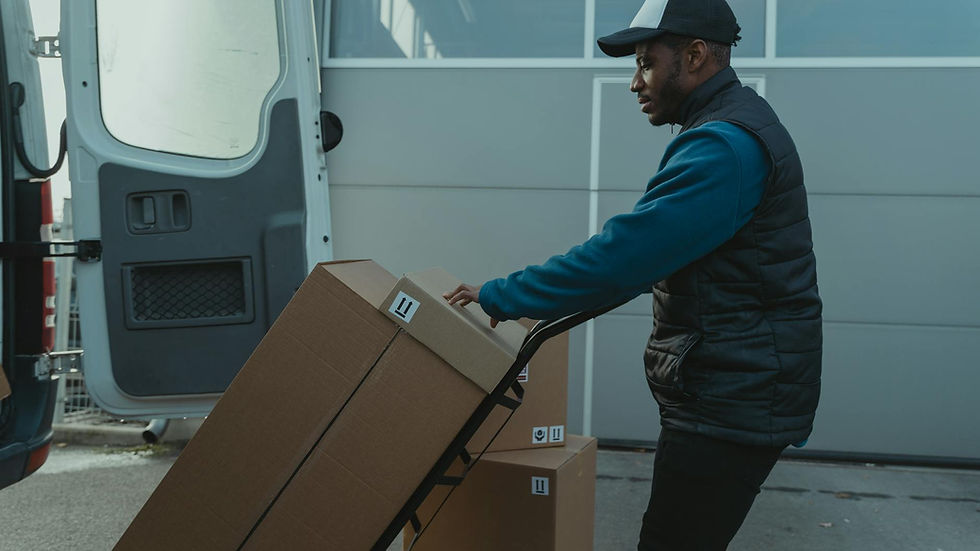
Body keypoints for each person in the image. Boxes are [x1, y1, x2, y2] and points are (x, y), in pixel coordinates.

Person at [444, 0, 821, 548]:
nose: (634, 82)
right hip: (734, 389)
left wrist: (503, 294)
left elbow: (625, 255)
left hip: (731, 399)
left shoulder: (724, 145)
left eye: (645, 63)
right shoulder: (729, 127)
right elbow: (652, 258)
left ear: (694, 56)